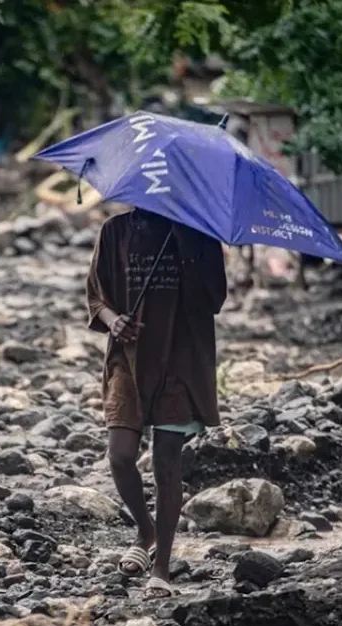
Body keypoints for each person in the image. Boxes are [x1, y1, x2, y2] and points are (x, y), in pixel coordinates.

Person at [85, 208, 227, 599]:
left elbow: (214, 298)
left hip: (180, 361)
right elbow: (96, 296)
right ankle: (145, 528)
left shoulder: (199, 232)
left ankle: (161, 566)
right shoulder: (115, 231)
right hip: (127, 360)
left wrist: (186, 247)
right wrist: (114, 320)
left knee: (166, 461)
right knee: (120, 455)